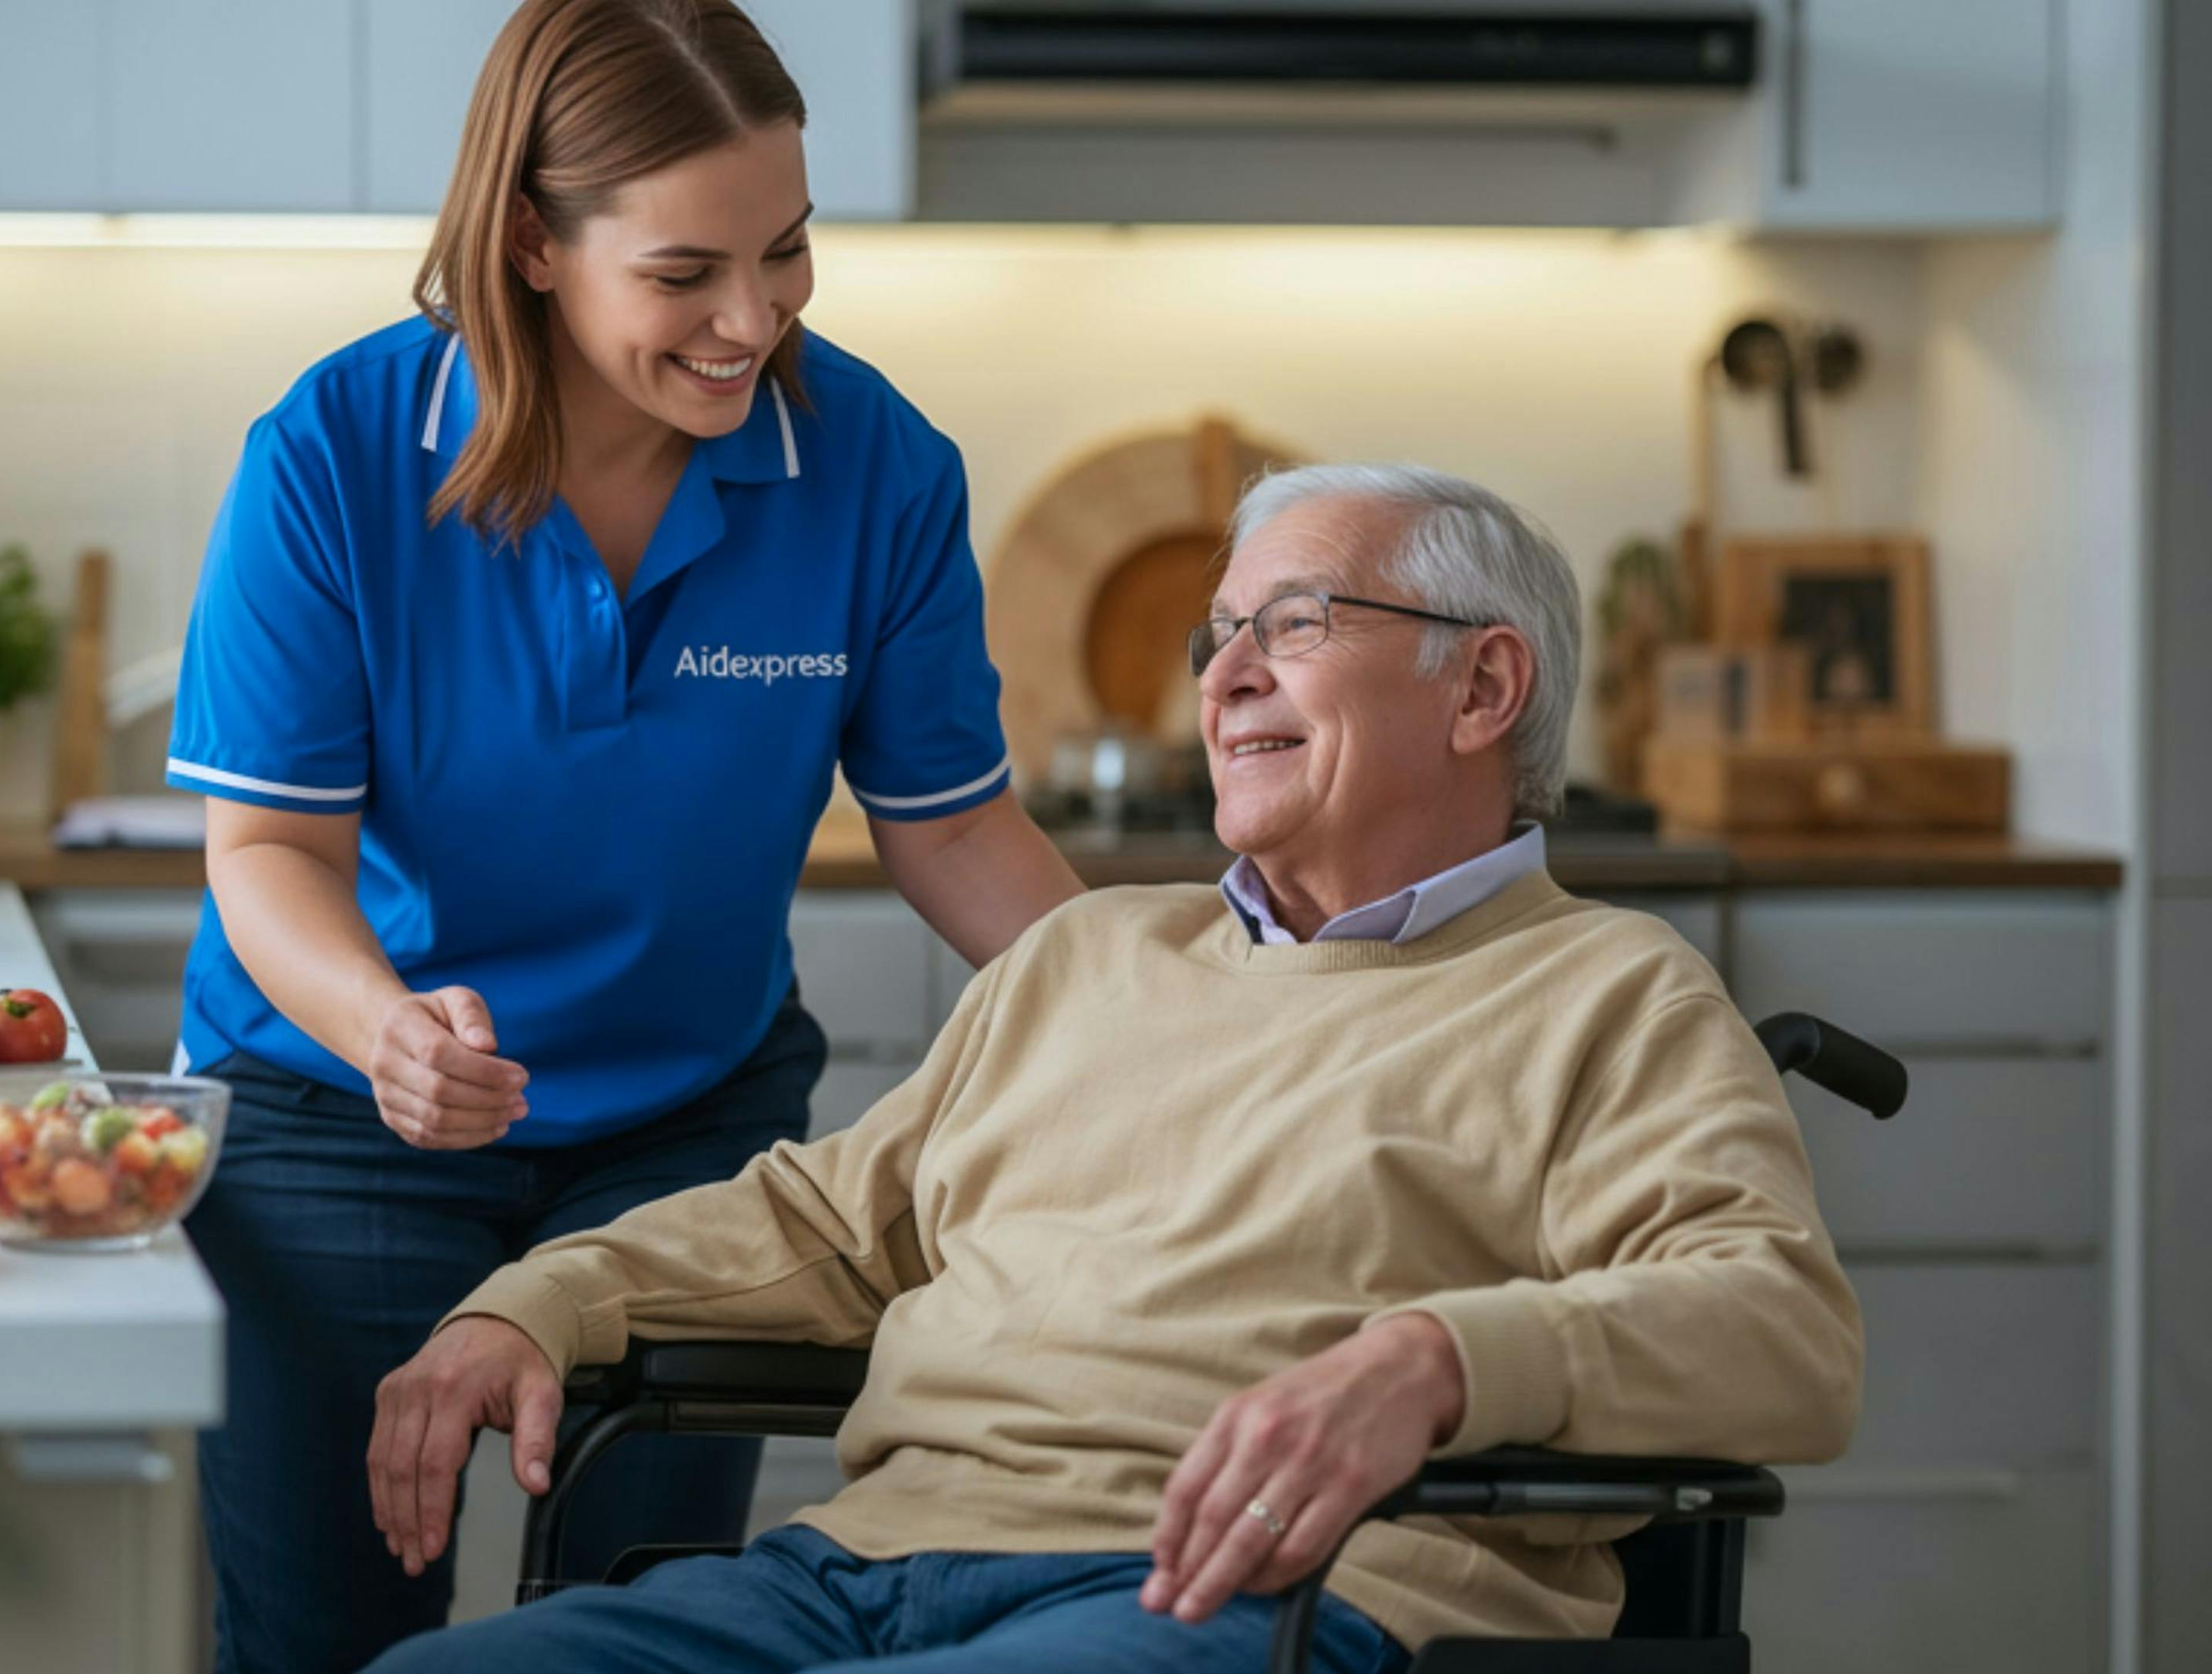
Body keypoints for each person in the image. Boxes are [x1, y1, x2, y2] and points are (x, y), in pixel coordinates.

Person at [362, 464, 1865, 1674]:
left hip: (1264, 1593)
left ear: (1481, 692)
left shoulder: (1608, 992)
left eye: (1295, 624)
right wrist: (538, 1302)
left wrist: (1440, 1360)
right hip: (866, 1569)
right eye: (1222, 636)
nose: (1223, 678)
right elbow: (818, 1228)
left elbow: (1781, 1328)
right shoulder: (1087, 959)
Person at [160, 2, 1084, 1667]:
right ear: (530, 240)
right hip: (341, 1120)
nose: (755, 319)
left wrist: (1171, 1003)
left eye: (789, 252)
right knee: (324, 1636)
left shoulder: (872, 465)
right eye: (686, 274)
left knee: (644, 1636)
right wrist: (389, 1031)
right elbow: (269, 856)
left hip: (685, 1126)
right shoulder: (336, 454)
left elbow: (952, 832)